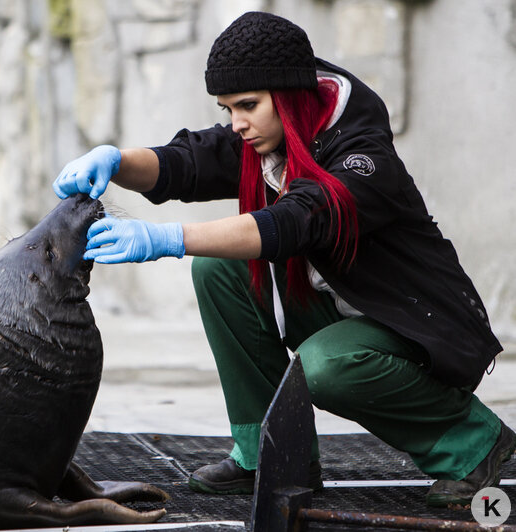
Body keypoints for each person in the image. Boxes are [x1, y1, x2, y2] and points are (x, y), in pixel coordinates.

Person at [52, 11, 514, 508]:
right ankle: (263, 453)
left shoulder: (362, 154)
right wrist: (116, 160)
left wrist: (167, 237)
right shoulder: (273, 137)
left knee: (327, 367)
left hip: (416, 324)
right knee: (219, 271)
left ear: (290, 95)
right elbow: (191, 160)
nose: (237, 124)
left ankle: (473, 444)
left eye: (247, 106)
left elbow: (294, 221)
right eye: (227, 108)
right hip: (341, 307)